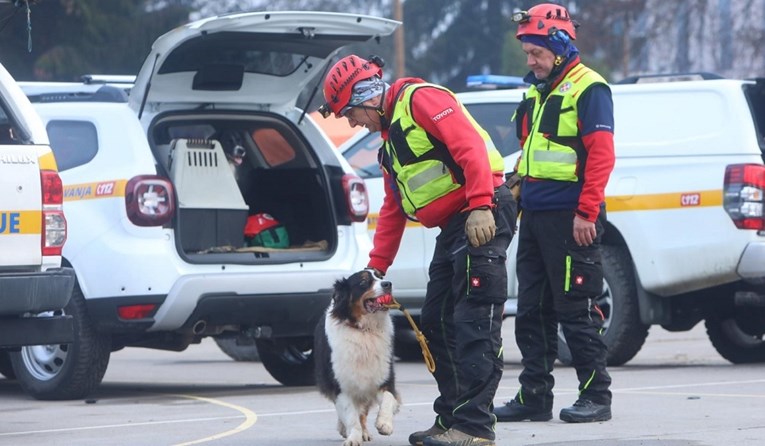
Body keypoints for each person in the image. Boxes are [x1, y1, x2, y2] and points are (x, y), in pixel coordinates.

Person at [319, 55, 517, 446]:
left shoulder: (421, 100)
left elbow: (470, 147)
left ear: (367, 95)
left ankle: (475, 428)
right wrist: (374, 270)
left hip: (482, 213)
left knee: (474, 322)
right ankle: (452, 419)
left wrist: (479, 204)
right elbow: (393, 209)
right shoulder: (389, 144)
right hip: (454, 226)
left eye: (351, 113)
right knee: (436, 324)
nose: (352, 122)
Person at [493, 3, 615, 424]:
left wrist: (586, 212)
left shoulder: (590, 88)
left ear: (560, 47)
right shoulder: (535, 91)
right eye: (527, 52)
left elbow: (601, 156)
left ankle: (596, 396)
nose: (530, 60)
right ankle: (534, 397)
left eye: (536, 53)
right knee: (530, 311)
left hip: (572, 220)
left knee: (576, 310)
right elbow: (532, 155)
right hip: (537, 219)